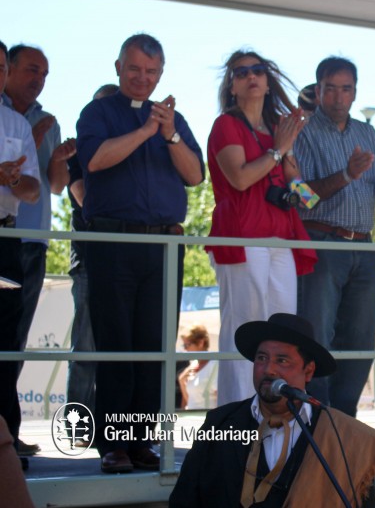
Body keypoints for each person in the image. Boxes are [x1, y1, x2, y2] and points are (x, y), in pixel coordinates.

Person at [76, 33, 205, 473]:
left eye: (151, 72)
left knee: (154, 345)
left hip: (164, 244)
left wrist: (168, 134)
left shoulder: (175, 120)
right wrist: (146, 129)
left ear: (161, 74)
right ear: (118, 68)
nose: (141, 78)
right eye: (134, 69)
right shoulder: (98, 112)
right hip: (113, 241)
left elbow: (194, 176)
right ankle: (112, 443)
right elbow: (94, 160)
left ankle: (142, 440)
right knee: (116, 343)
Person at [294, 56, 375, 416]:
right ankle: (315, 415)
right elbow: (302, 197)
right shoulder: (302, 132)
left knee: (361, 339)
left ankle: (343, 418)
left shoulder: (367, 133)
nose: (337, 97)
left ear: (354, 92)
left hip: (364, 246)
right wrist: (346, 175)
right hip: (321, 242)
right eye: (330, 88)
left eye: (345, 89)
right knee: (318, 336)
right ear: (317, 91)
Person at [169, 313, 375, 508]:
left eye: (282, 360)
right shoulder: (220, 423)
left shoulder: (340, 436)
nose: (269, 369)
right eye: (261, 358)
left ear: (308, 370)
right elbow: (184, 499)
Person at [206, 50, 317, 405]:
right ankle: (236, 416)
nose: (250, 76)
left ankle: (276, 410)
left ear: (268, 81)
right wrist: (277, 149)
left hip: (280, 237)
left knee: (282, 332)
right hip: (242, 237)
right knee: (245, 328)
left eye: (258, 70)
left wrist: (289, 156)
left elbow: (304, 195)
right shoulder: (226, 124)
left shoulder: (278, 129)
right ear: (232, 85)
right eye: (241, 72)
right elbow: (239, 179)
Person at [2, 45, 75, 456]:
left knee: (14, 340)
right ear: (8, 70)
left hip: (31, 240)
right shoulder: (13, 121)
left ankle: (8, 431)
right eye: (31, 69)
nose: (38, 79)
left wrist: (59, 155)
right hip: (8, 236)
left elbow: (54, 186)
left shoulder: (46, 119)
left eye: (44, 73)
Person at [65, 83, 119, 439]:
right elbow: (82, 196)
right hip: (88, 259)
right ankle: (77, 428)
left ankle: (118, 427)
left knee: (124, 350)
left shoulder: (133, 148)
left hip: (126, 262)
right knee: (86, 346)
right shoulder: (77, 152)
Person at [0, 39, 40, 458]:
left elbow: (32, 190)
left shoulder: (16, 125)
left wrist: (10, 179)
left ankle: (5, 440)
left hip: (6, 238)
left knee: (6, 340)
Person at [178, 325, 218, 410]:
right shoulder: (193, 365)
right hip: (192, 420)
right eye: (184, 346)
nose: (185, 349)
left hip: (207, 420)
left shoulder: (215, 366)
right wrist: (182, 381)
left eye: (187, 345)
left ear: (201, 343)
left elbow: (222, 400)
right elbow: (190, 402)